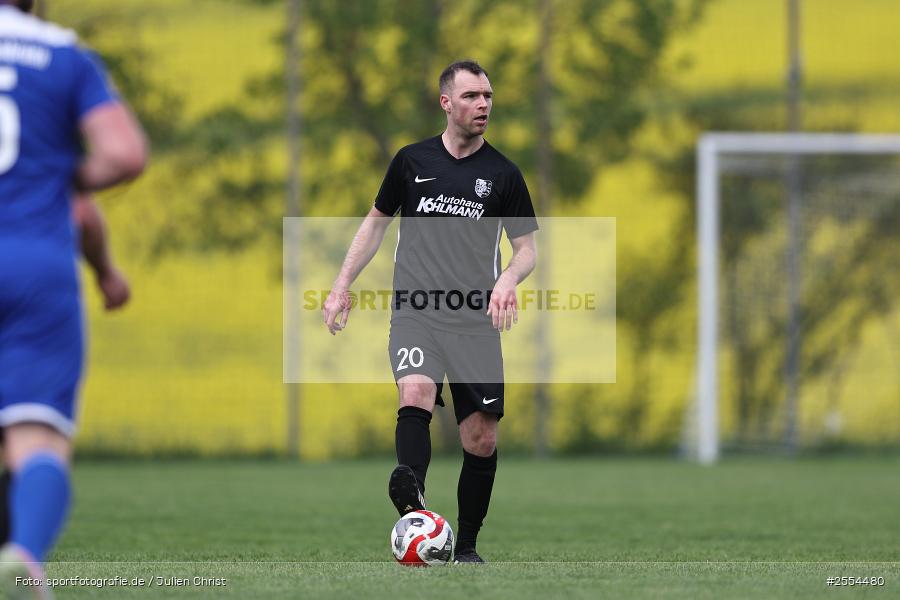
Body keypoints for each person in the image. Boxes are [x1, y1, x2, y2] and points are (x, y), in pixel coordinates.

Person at [323, 60, 537, 564]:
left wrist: (508, 279)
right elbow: (375, 225)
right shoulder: (411, 161)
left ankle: (466, 547)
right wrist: (341, 285)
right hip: (416, 310)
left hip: (475, 322)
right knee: (415, 390)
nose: (483, 104)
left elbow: (527, 249)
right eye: (471, 96)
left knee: (480, 438)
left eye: (488, 96)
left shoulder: (503, 174)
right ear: (446, 103)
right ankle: (413, 502)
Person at [0, 1, 147, 595]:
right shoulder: (62, 56)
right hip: (33, 264)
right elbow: (124, 154)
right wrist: (58, 175)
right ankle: (23, 557)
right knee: (36, 437)